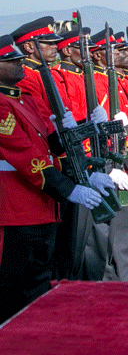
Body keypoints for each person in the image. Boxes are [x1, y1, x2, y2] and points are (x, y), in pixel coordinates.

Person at [0, 34, 113, 323]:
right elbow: (26, 157)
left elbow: (54, 146)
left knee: (40, 280)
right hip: (16, 210)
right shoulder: (2, 107)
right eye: (11, 61)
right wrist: (69, 189)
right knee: (15, 287)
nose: (19, 65)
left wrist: (85, 171)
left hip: (43, 205)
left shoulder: (25, 100)